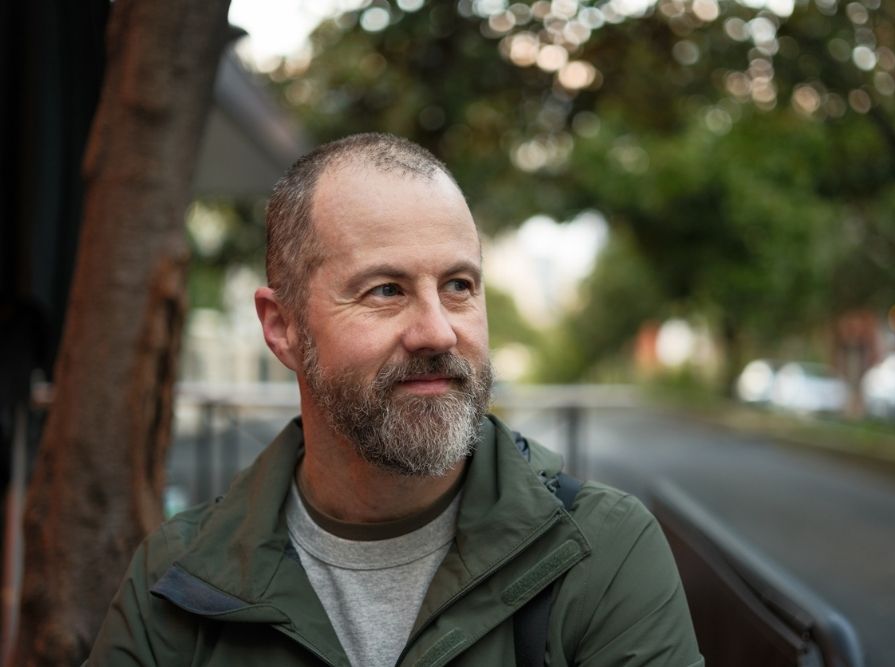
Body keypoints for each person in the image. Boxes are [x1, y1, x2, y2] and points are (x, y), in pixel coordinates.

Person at [87, 133, 704, 666]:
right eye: (386, 290)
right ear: (282, 327)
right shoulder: (176, 578)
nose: (437, 331)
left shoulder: (601, 552)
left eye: (458, 286)